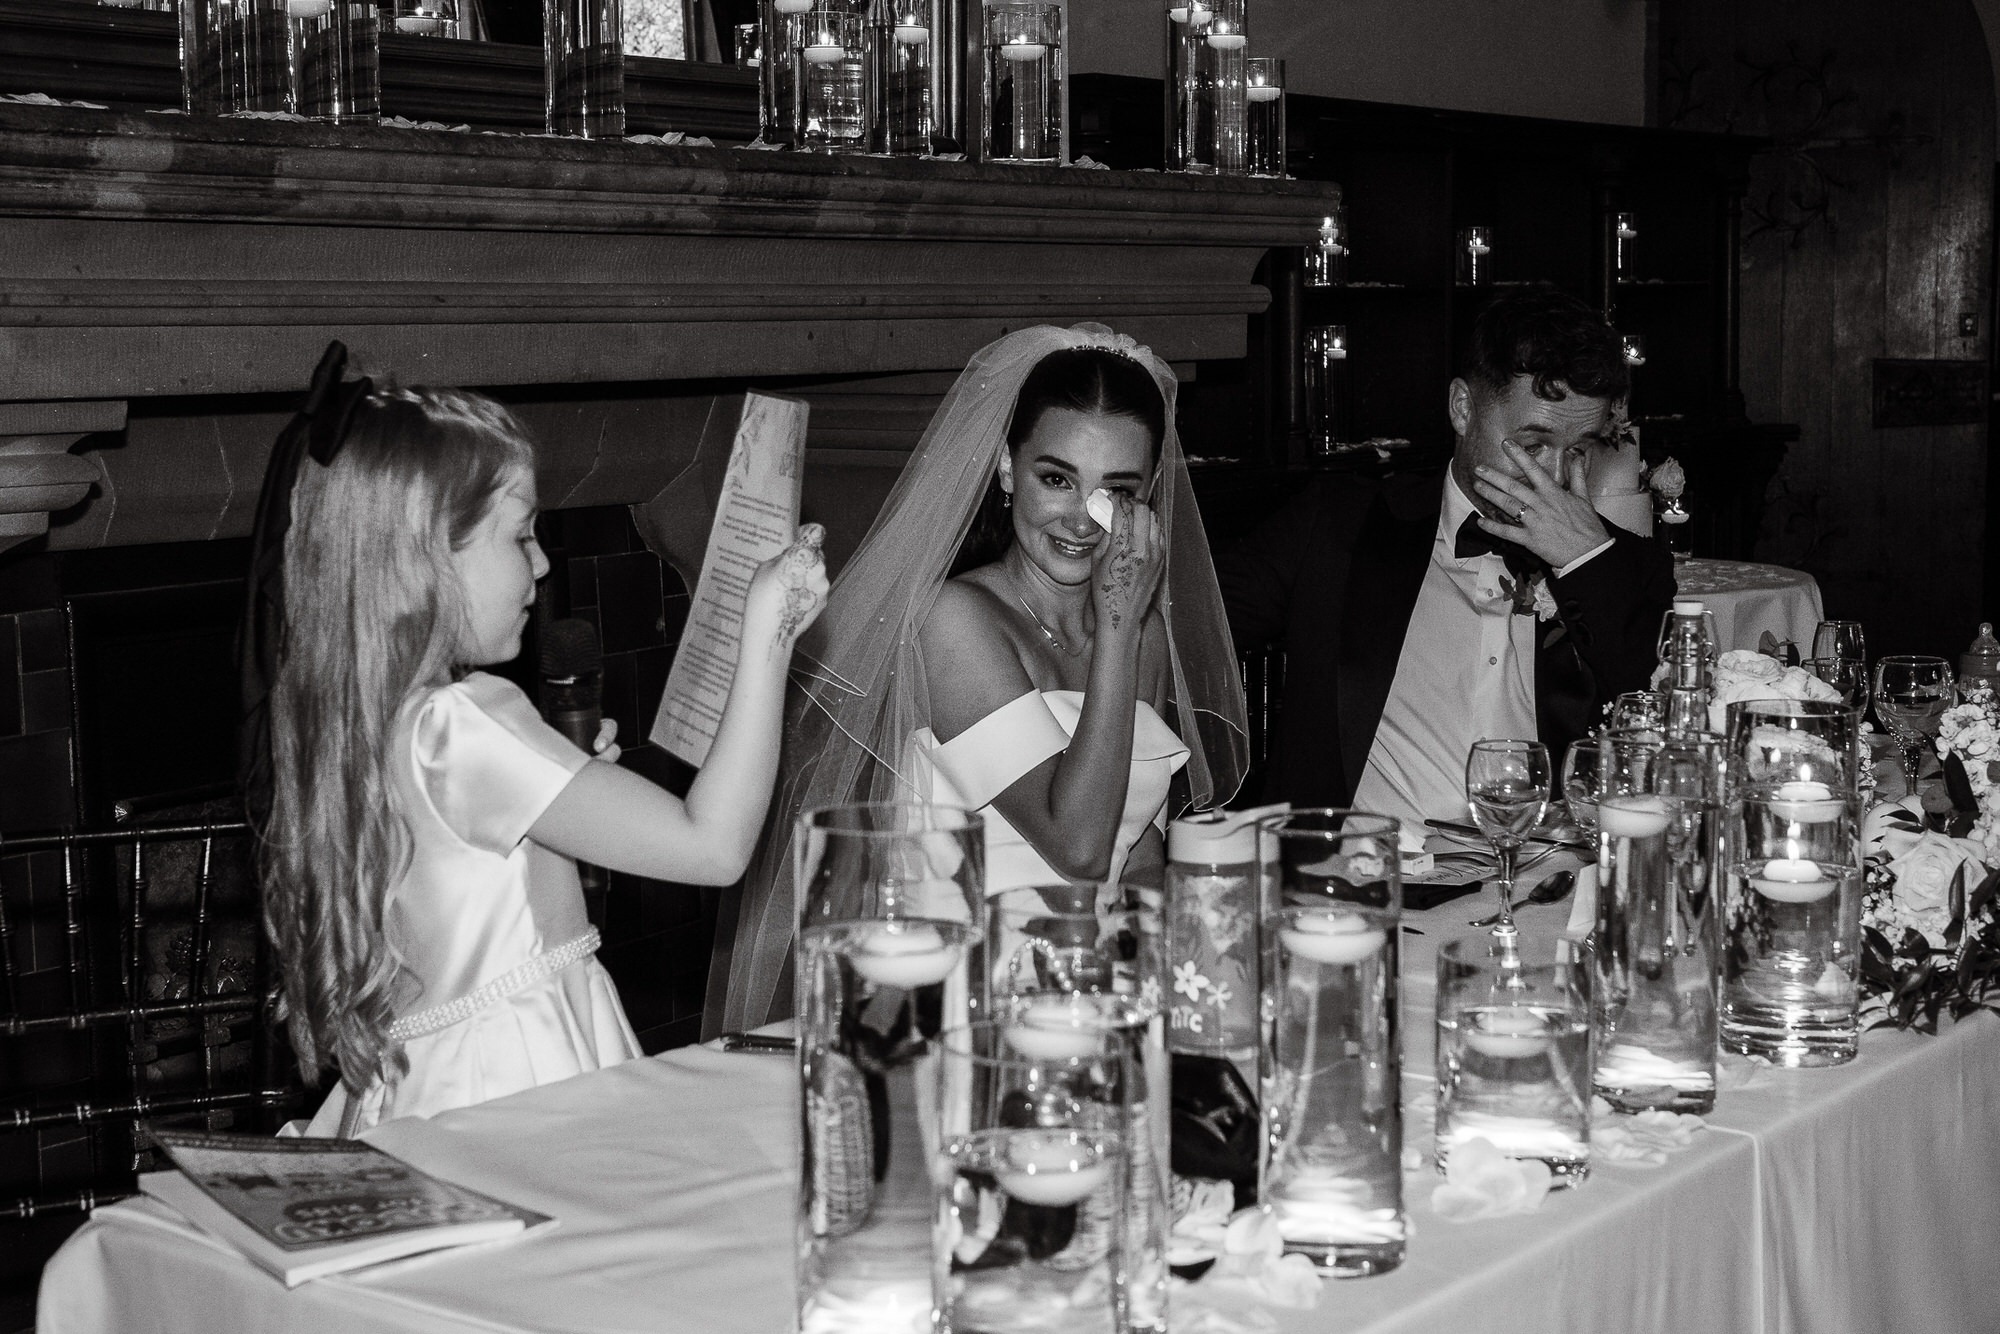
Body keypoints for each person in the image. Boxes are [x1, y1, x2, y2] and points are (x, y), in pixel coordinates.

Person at [238, 346, 827, 1134]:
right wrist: (769, 632)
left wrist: (566, 815)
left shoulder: (370, 720)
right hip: (518, 1081)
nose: (543, 563)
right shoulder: (465, 719)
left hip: (423, 1079)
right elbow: (713, 847)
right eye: (520, 536)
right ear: (427, 558)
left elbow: (488, 902)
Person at [712, 324, 1249, 1034]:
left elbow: (1132, 844)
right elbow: (1080, 847)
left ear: (1148, 495)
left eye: (1115, 491)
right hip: (959, 1006)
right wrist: (1118, 625)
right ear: (1005, 469)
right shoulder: (955, 620)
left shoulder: (1139, 634)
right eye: (1055, 479)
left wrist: (1169, 972)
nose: (1083, 520)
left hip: (1094, 995)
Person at [1218, 288, 1676, 824]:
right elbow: (1193, 619)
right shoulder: (1338, 527)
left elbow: (1661, 725)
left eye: (1578, 450)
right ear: (1463, 408)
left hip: (1548, 877)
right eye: (1532, 446)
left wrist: (1583, 561)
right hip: (1361, 873)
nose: (1552, 477)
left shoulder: (1628, 568)